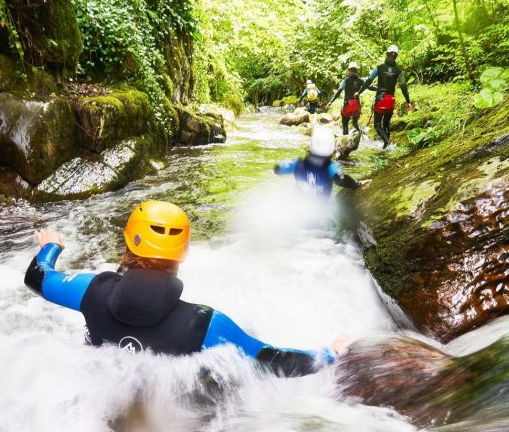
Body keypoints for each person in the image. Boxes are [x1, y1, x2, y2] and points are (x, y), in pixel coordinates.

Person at [24, 201, 341, 377]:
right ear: (185, 252)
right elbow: (275, 362)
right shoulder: (202, 323)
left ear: (128, 240)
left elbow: (38, 276)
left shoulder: (91, 290)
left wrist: (51, 246)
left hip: (97, 396)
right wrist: (333, 354)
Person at [273, 126, 362, 196]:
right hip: (315, 215)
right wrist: (357, 183)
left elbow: (278, 170)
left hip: (295, 209)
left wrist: (281, 165)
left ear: (311, 144)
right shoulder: (330, 167)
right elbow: (342, 179)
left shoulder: (298, 163)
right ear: (331, 147)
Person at [359, 45, 413, 149]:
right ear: (396, 56)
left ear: (387, 54)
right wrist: (408, 102)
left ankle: (386, 141)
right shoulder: (399, 71)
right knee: (386, 124)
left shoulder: (379, 68)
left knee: (377, 124)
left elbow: (368, 81)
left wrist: (359, 92)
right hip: (390, 100)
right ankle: (386, 148)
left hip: (381, 99)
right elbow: (403, 87)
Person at [328, 61, 366, 136]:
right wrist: (379, 89)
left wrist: (331, 101)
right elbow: (369, 87)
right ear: (357, 70)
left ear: (349, 70)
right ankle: (360, 136)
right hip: (357, 106)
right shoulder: (361, 81)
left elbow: (339, 91)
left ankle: (345, 141)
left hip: (347, 105)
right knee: (355, 122)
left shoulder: (345, 80)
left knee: (345, 124)